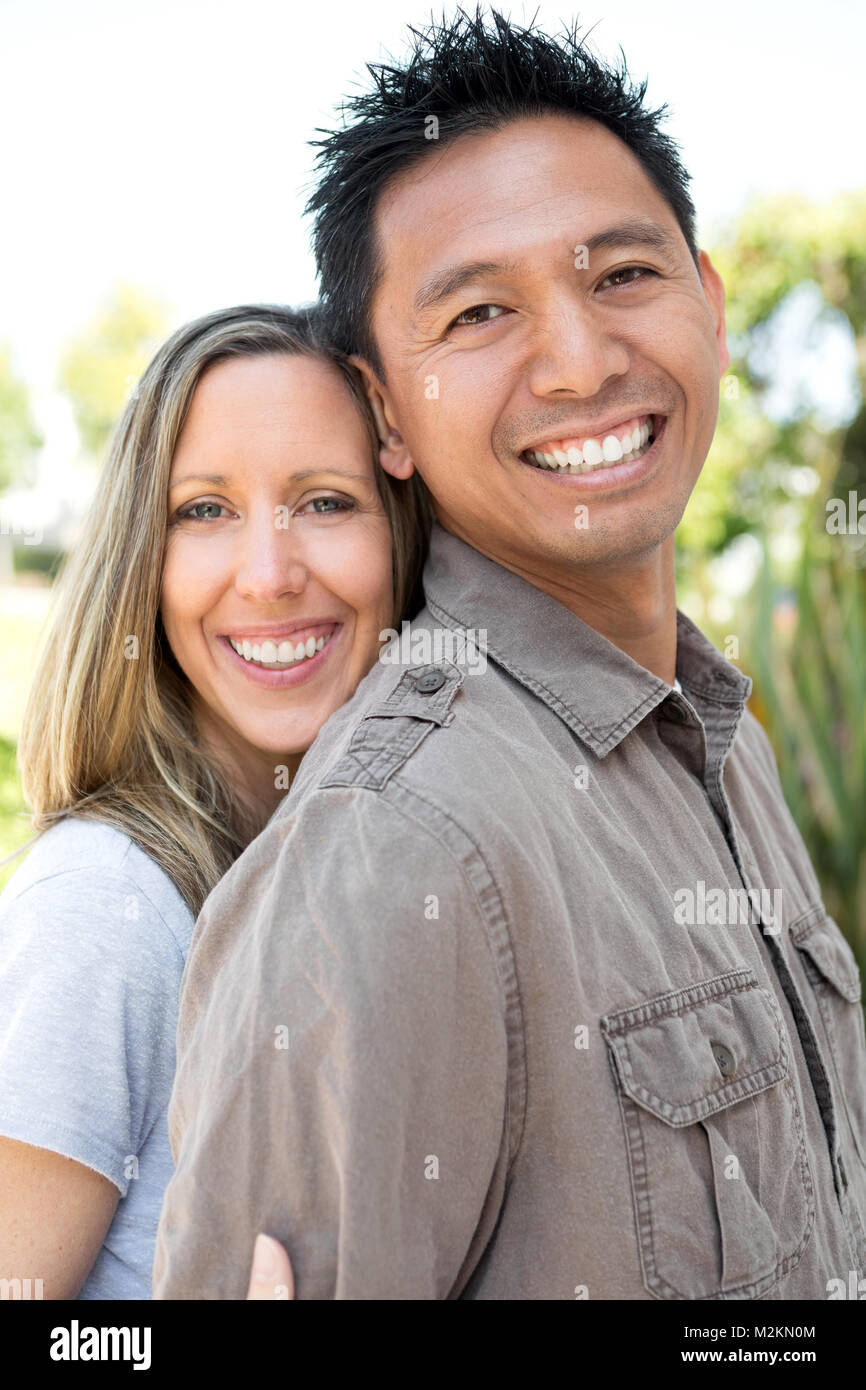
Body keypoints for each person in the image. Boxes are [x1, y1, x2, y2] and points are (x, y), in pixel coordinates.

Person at [153, 11, 866, 1300]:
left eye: (622, 277)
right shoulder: (397, 844)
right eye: (480, 311)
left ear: (706, 304)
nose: (583, 361)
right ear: (382, 411)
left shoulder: (722, 745)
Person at [0, 303, 431, 1299]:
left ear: (400, 538)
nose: (271, 574)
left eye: (325, 501)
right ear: (139, 567)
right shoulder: (104, 908)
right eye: (204, 510)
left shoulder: (373, 889)